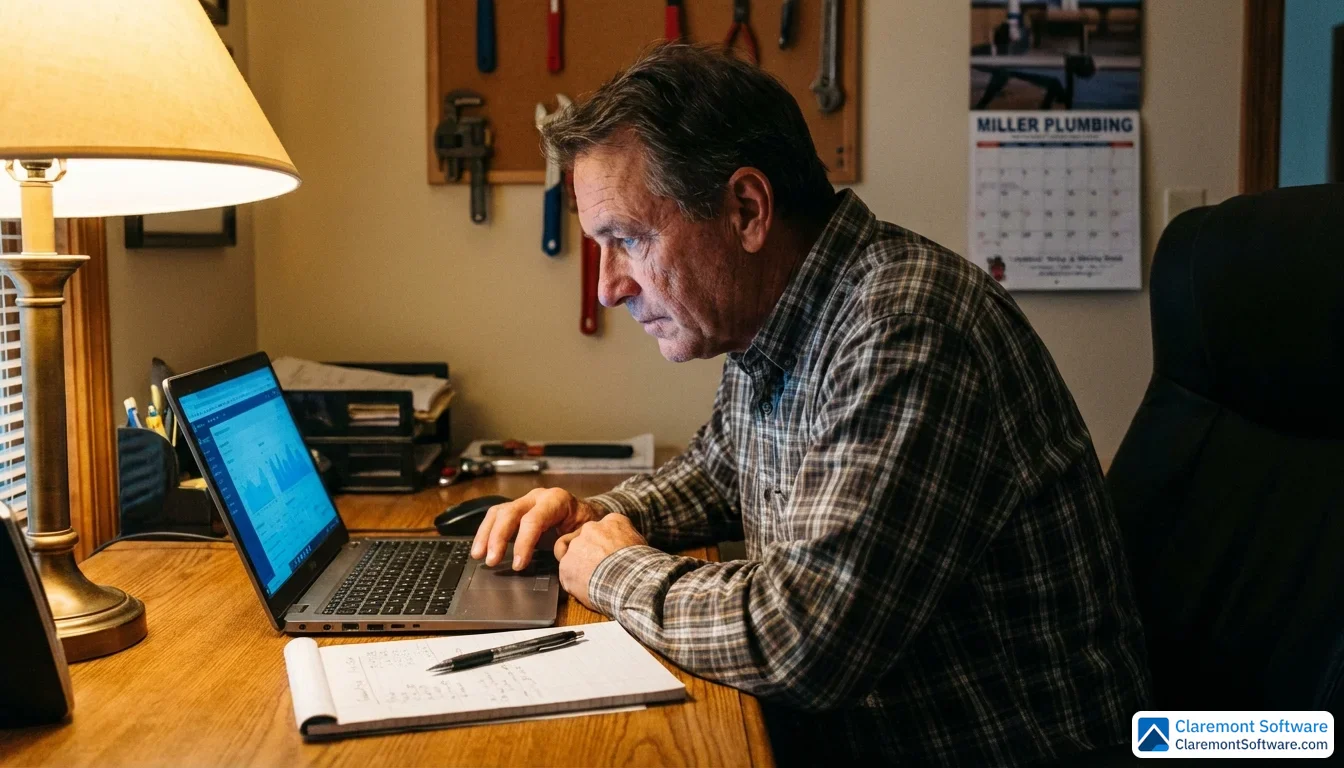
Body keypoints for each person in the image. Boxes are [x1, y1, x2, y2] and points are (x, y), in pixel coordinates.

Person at [472, 43, 1150, 765]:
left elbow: (802, 639)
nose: (609, 288)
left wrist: (614, 569)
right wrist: (597, 516)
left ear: (746, 210)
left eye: (628, 240)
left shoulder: (907, 328)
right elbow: (718, 473)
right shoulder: (775, 316)